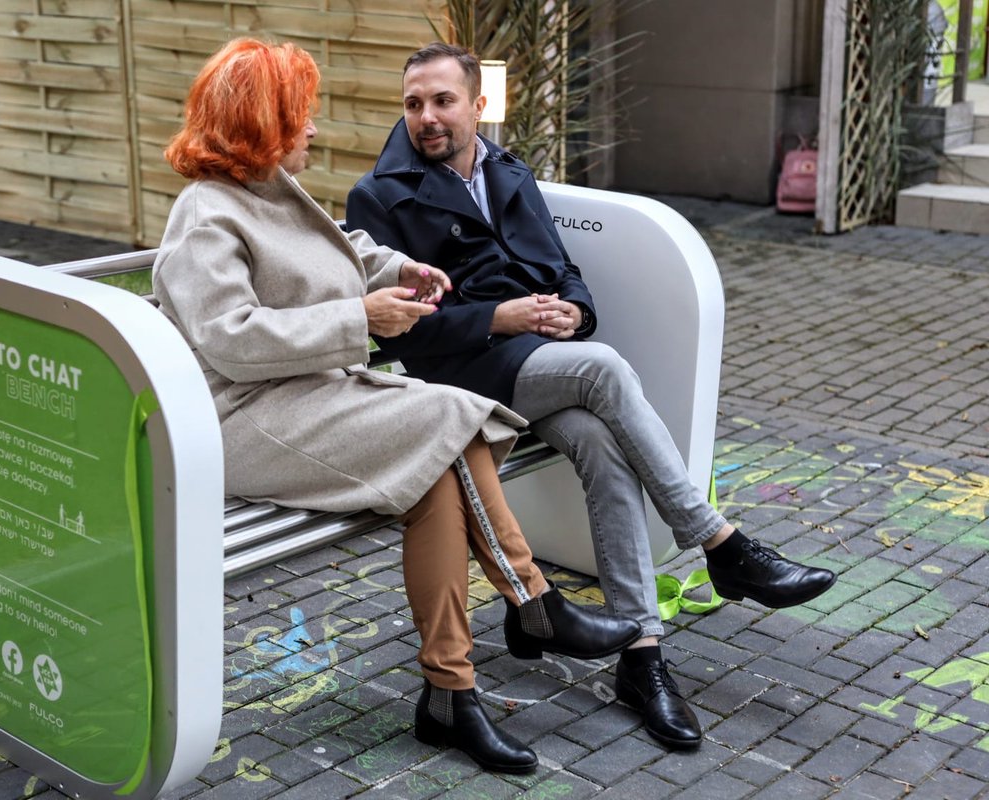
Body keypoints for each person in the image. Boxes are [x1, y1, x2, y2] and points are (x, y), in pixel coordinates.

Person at [152, 38, 643, 774]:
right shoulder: (206, 214)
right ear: (263, 122)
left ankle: (451, 695)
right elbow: (231, 341)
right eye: (302, 117)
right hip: (244, 420)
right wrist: (362, 321)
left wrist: (402, 267)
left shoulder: (268, 188)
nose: (314, 131)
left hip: (307, 397)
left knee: (439, 479)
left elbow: (337, 252)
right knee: (446, 414)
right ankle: (531, 598)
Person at [345, 41, 837, 751]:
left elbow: (563, 270)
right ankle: (721, 543)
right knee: (603, 370)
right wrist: (503, 317)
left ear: (478, 105)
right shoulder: (379, 195)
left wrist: (575, 312)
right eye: (414, 102)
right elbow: (403, 341)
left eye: (443, 100)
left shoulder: (510, 170)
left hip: (535, 361)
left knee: (603, 441)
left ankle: (642, 656)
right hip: (456, 382)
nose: (427, 116)